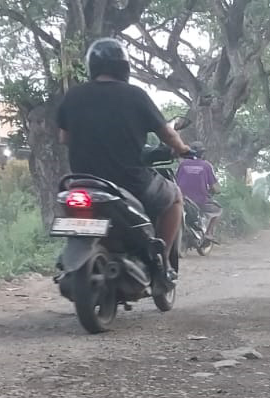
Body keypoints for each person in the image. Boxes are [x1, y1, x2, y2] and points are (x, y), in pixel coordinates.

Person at [57, 38, 190, 276]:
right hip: (130, 182)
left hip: (81, 182)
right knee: (175, 197)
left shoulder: (73, 96)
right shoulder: (135, 95)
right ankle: (162, 263)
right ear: (124, 67)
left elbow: (64, 138)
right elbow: (168, 134)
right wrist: (183, 149)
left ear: (92, 66)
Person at [174, 145, 220, 240]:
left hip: (181, 198)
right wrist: (217, 191)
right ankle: (208, 233)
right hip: (200, 200)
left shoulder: (182, 164)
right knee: (218, 210)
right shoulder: (206, 165)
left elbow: (176, 180)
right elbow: (215, 188)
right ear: (202, 154)